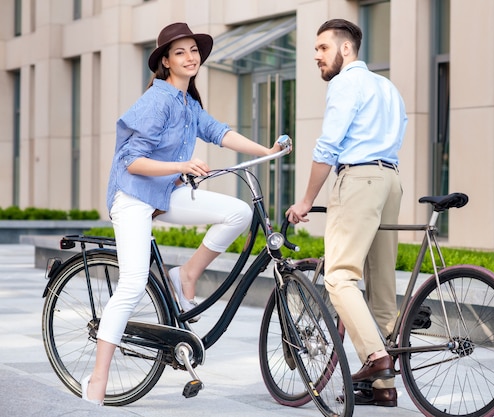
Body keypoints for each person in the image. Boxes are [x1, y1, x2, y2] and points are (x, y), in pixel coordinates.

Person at [82, 22, 287, 405]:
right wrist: (182, 167)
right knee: (131, 284)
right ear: (165, 61)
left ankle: (186, 275)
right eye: (180, 52)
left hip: (164, 193)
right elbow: (130, 162)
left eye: (194, 50)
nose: (190, 57)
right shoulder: (157, 101)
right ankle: (97, 381)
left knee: (239, 213)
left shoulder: (188, 104)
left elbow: (219, 132)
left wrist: (265, 150)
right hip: (133, 197)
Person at [286, 19, 407, 407]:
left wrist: (305, 200)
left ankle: (376, 359)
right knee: (382, 285)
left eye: (323, 48)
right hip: (391, 180)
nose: (317, 57)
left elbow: (328, 146)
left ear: (346, 49)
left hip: (359, 181)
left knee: (339, 278)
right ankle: (384, 390)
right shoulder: (387, 87)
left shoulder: (345, 84)